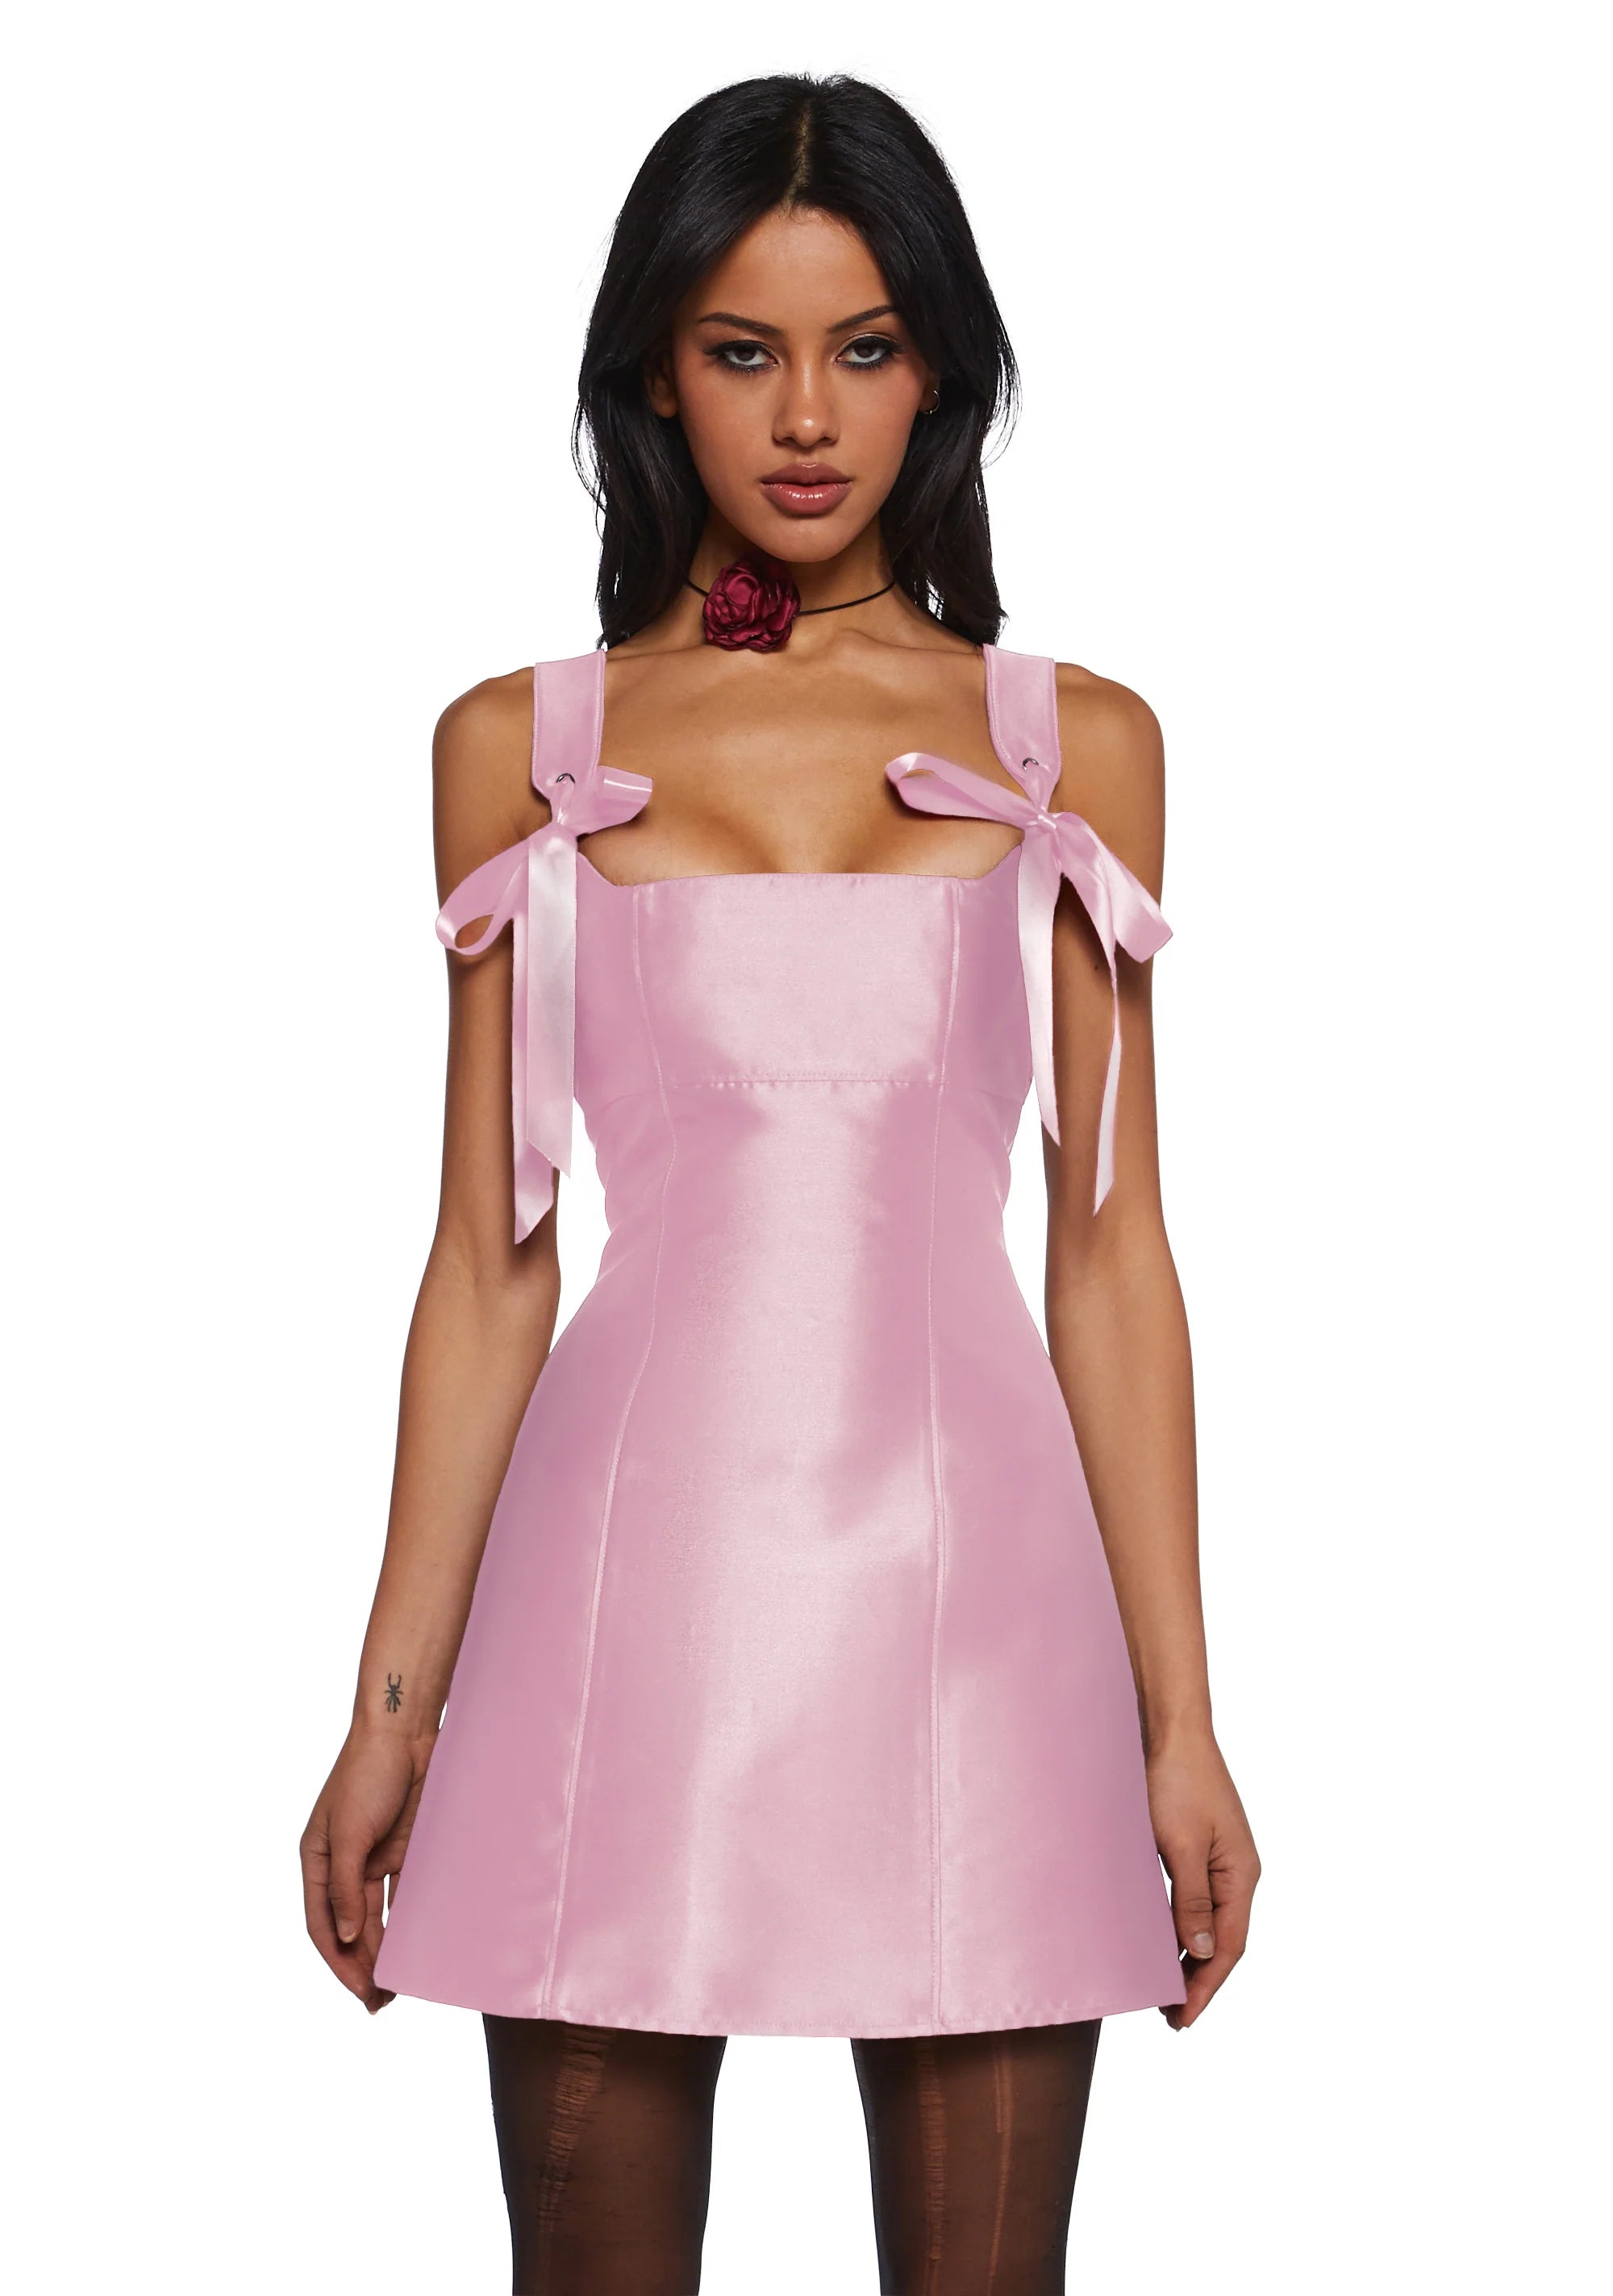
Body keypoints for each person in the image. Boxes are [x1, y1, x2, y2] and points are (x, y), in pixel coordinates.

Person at [300, 72, 1260, 2295]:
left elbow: (1112, 1256)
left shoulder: (1072, 747)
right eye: (744, 351)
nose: (808, 417)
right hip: (620, 1595)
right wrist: (388, 1712)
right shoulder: (523, 747)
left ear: (943, 371)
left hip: (983, 1596)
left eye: (866, 348)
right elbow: (488, 1266)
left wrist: (1183, 1720)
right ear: (657, 370)